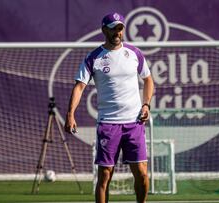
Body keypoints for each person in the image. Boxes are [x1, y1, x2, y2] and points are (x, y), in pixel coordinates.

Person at [64, 12, 154, 203]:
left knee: (142, 174)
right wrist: (70, 114)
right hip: (108, 124)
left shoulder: (134, 53)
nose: (117, 32)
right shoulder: (93, 57)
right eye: (113, 28)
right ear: (104, 30)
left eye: (120, 28)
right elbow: (79, 86)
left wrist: (146, 104)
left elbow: (148, 80)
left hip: (134, 123)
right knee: (105, 175)